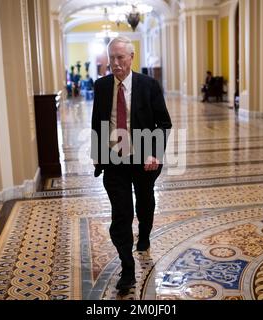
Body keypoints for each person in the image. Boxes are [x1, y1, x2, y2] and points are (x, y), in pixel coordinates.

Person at [91, 37, 172, 295]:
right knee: (121, 214)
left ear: (131, 57)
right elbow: (97, 121)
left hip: (144, 160)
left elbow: (163, 123)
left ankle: (145, 234)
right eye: (111, 58)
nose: (115, 63)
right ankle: (127, 269)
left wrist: (154, 154)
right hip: (115, 161)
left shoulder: (149, 85)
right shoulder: (102, 86)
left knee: (144, 202)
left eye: (120, 58)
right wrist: (97, 155)